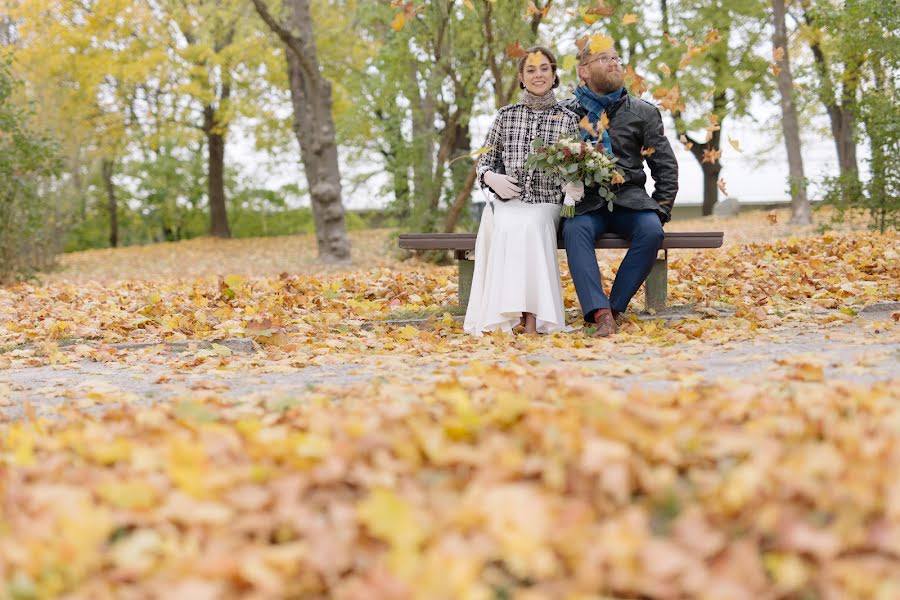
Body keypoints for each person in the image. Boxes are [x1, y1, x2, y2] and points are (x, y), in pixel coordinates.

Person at [560, 39, 679, 337]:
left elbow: (665, 166)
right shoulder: (564, 113)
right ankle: (598, 311)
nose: (613, 63)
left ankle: (612, 310)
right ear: (583, 71)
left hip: (631, 201)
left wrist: (661, 209)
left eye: (616, 57)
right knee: (574, 230)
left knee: (652, 231)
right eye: (603, 58)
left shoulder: (644, 112)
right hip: (585, 201)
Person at [464, 46, 583, 337]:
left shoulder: (566, 119)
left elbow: (578, 167)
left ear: (554, 74)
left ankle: (531, 317)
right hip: (509, 201)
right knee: (507, 225)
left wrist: (573, 183)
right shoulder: (505, 116)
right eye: (531, 69)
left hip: (546, 203)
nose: (538, 74)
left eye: (544, 68)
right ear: (521, 77)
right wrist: (491, 177)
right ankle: (511, 314)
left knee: (529, 226)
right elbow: (484, 162)